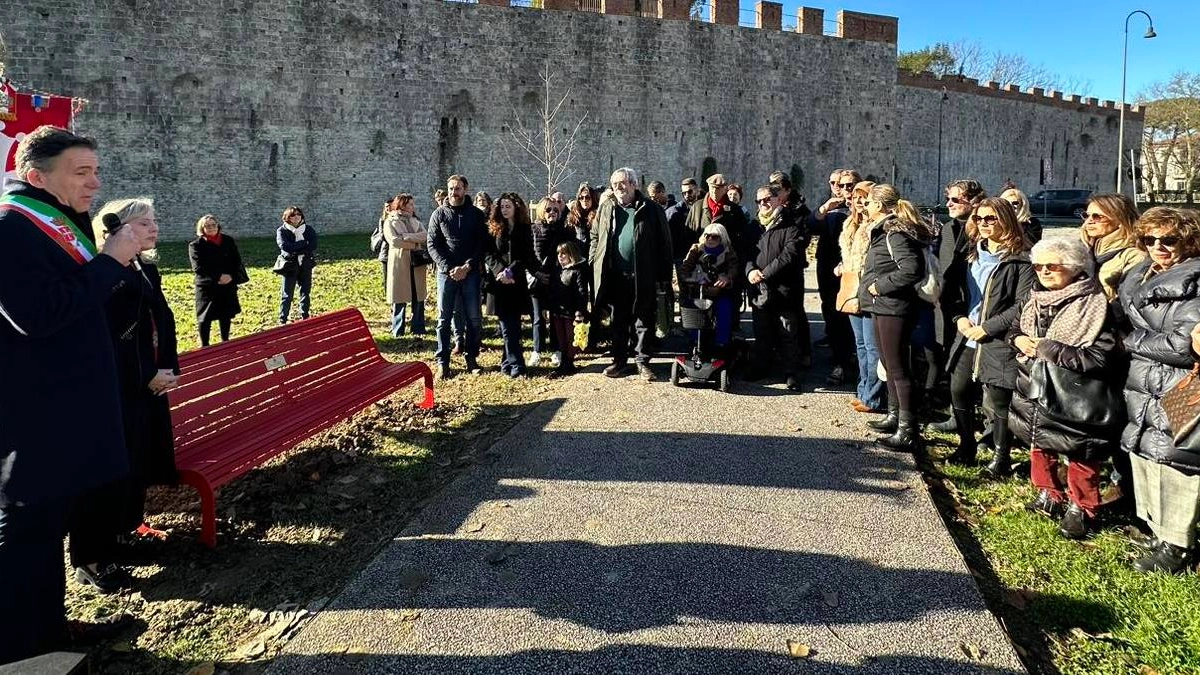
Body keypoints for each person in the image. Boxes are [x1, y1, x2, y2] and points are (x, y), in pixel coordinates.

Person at [0, 125, 143, 663]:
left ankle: (49, 629)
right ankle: (16, 647)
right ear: (37, 176)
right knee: (28, 530)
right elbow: (37, 316)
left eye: (96, 170)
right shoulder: (12, 229)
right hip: (36, 409)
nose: (95, 182)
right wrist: (110, 261)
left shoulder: (58, 222)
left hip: (69, 402)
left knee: (49, 526)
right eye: (81, 172)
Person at [72, 197, 180, 592]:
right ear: (116, 229)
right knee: (108, 471)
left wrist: (167, 368)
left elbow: (161, 321)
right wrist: (146, 375)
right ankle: (91, 558)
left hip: (148, 384)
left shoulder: (143, 268)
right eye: (143, 223)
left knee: (136, 463)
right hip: (119, 386)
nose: (153, 229)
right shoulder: (106, 273)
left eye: (154, 221)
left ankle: (123, 534)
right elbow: (114, 338)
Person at [1009, 238, 1124, 539]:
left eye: (1053, 266)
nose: (1044, 272)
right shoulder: (1033, 298)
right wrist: (1017, 341)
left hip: (1076, 392)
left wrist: (1049, 349)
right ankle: (1049, 493)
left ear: (1073, 268)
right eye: (1038, 266)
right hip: (1034, 385)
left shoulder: (1096, 305)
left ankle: (1082, 507)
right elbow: (1015, 329)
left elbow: (1100, 356)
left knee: (1080, 452)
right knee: (1040, 443)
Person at [1116, 207, 1200, 574]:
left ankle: (1179, 546)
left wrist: (1132, 340)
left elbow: (1185, 344)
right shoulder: (1141, 275)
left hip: (1178, 384)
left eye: (1169, 240)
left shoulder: (1195, 281)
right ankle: (1158, 530)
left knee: (1177, 461)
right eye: (1150, 240)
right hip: (1143, 381)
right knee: (1146, 453)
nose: (1159, 247)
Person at [943, 198, 1034, 475]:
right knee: (958, 389)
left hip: (998, 337)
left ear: (1005, 220)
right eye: (979, 219)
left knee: (999, 400)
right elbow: (953, 293)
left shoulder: (1020, 258)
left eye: (990, 219)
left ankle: (1001, 457)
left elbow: (1023, 303)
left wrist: (989, 327)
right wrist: (958, 318)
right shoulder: (970, 253)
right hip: (966, 334)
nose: (982, 224)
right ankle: (966, 445)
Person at [858, 184, 938, 452]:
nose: (865, 207)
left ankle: (908, 429)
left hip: (894, 306)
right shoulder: (884, 231)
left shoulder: (895, 233)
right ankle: (894, 416)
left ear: (880, 206)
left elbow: (910, 270)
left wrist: (880, 286)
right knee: (889, 366)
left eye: (868, 202)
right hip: (883, 306)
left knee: (898, 367)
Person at [589, 167, 673, 380]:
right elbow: (595, 236)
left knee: (643, 320)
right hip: (615, 276)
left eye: (623, 183)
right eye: (615, 184)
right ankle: (619, 362)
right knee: (618, 320)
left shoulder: (652, 209)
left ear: (634, 184)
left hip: (643, 275)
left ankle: (642, 362)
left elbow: (665, 245)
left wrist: (663, 278)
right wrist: (594, 260)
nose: (618, 188)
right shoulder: (607, 208)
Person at [930, 179, 986, 433]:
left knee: (971, 364)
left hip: (973, 305)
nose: (949, 204)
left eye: (956, 199)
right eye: (948, 199)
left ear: (974, 201)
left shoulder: (982, 229)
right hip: (948, 303)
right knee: (951, 359)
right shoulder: (948, 228)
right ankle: (957, 413)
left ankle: (977, 420)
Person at [745, 184, 806, 389]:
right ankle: (761, 366)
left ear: (778, 199)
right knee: (761, 330)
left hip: (784, 289)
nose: (763, 203)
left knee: (787, 332)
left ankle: (791, 373)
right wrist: (750, 271)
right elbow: (746, 252)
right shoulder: (754, 226)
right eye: (759, 200)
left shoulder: (792, 224)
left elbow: (790, 255)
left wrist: (764, 273)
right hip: (759, 289)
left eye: (767, 199)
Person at [428, 174, 486, 379]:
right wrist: (449, 267)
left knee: (474, 319)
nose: (454, 192)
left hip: (470, 273)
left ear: (466, 189)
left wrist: (467, 266)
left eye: (458, 188)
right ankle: (443, 362)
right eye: (451, 188)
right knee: (443, 320)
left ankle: (471, 358)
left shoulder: (477, 215)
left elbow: (482, 244)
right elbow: (432, 245)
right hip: (447, 274)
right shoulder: (439, 214)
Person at [837, 180, 884, 412]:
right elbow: (850, 255)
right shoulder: (850, 224)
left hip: (868, 289)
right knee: (862, 345)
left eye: (863, 197)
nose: (859, 201)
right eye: (856, 197)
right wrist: (842, 265)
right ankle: (863, 390)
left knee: (873, 347)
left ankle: (873, 398)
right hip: (851, 287)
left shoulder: (877, 226)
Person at [811, 169, 860, 386]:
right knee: (832, 312)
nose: (843, 189)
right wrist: (823, 209)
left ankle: (849, 362)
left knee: (851, 316)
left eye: (849, 185)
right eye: (839, 185)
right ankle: (840, 357)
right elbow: (811, 226)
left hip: (852, 270)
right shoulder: (831, 207)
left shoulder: (862, 208)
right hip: (828, 267)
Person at [483, 193, 534, 378]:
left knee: (513, 327)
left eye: (508, 206)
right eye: (502, 206)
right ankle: (517, 366)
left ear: (515, 208)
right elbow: (488, 254)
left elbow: (526, 255)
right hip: (499, 285)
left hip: (516, 282)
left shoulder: (524, 228)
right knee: (507, 327)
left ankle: (506, 364)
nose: (505, 210)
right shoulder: (493, 228)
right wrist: (500, 272)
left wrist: (511, 272)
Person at [680, 223, 739, 354]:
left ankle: (721, 343)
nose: (710, 239)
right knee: (693, 310)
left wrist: (727, 278)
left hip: (720, 291)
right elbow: (685, 268)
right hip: (698, 290)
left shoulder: (728, 251)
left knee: (724, 307)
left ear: (722, 238)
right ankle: (696, 342)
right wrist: (691, 278)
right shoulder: (696, 249)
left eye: (715, 237)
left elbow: (733, 269)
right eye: (707, 236)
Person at [188, 214, 246, 346]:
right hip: (207, 287)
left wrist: (230, 276)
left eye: (213, 225)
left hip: (227, 284)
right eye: (207, 226)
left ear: (218, 226)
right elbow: (198, 267)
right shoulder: (195, 245)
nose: (211, 228)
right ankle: (205, 345)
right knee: (204, 317)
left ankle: (225, 341)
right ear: (202, 228)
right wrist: (218, 276)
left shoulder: (228, 241)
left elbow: (236, 260)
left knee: (225, 314)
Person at [1081, 193, 1147, 301]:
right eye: (1086, 215)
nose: (1089, 221)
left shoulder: (1134, 256)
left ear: (1120, 220)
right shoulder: (1083, 250)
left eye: (1097, 217)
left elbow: (1128, 299)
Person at [529, 196, 568, 367]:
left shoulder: (564, 231)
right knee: (538, 318)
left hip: (556, 279)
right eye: (548, 210)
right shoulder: (533, 230)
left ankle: (556, 350)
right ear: (541, 211)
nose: (552, 213)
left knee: (554, 317)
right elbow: (528, 255)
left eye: (556, 210)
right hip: (537, 278)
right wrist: (536, 273)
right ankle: (536, 351)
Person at [383, 193, 429, 337]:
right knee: (399, 297)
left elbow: (425, 235)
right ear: (402, 205)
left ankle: (418, 327)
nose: (412, 207)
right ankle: (398, 329)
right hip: (400, 263)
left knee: (418, 295)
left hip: (417, 262)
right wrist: (415, 243)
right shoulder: (390, 221)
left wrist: (409, 238)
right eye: (409, 204)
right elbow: (394, 241)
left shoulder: (415, 220)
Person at [547, 240, 589, 376]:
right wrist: (549, 309)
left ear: (571, 254)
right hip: (558, 311)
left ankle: (569, 362)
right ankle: (564, 361)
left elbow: (581, 293)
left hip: (571, 313)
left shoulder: (577, 271)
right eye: (559, 254)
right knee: (561, 338)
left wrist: (579, 312)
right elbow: (552, 291)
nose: (561, 257)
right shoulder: (557, 271)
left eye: (564, 254)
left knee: (571, 338)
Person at [275, 205, 318, 324]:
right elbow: (285, 247)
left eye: (298, 214)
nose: (296, 217)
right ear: (287, 217)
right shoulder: (282, 230)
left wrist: (296, 249)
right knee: (287, 294)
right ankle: (283, 319)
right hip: (290, 265)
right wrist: (303, 243)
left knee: (305, 291)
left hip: (305, 264)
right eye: (293, 215)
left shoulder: (308, 229)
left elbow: (313, 245)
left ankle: (305, 315)